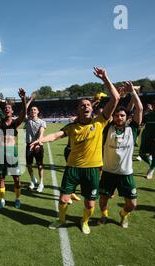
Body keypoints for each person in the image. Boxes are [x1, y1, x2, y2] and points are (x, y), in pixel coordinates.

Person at [30, 67, 120, 235]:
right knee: (63, 199)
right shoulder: (72, 127)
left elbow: (115, 98)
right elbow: (57, 135)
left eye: (88, 104)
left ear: (91, 108)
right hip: (72, 168)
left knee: (90, 204)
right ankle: (61, 219)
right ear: (78, 110)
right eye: (82, 105)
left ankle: (84, 221)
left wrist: (105, 78)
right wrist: (40, 140)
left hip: (93, 169)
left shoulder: (100, 122)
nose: (85, 106)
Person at [99, 81, 143, 229]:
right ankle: (104, 215)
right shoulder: (108, 128)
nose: (119, 118)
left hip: (126, 174)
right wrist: (117, 94)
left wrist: (133, 92)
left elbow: (140, 109)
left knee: (132, 204)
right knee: (103, 198)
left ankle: (123, 214)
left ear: (126, 117)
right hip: (108, 172)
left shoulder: (133, 129)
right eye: (117, 115)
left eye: (122, 115)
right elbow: (108, 110)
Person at [0, 89, 28, 209]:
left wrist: (23, 99)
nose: (6, 109)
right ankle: (2, 200)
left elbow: (24, 113)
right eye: (5, 108)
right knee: (1, 178)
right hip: (0, 153)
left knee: (16, 178)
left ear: (12, 111)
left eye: (9, 108)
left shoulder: (15, 123)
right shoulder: (0, 122)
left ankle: (17, 199)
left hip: (12, 152)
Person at [25, 103, 47, 193]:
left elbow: (41, 132)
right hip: (29, 145)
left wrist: (38, 142)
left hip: (38, 145)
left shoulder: (42, 122)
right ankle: (33, 179)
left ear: (38, 111)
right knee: (29, 165)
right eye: (31, 110)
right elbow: (24, 109)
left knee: (39, 165)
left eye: (34, 109)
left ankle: (41, 183)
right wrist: (29, 100)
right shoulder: (27, 120)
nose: (33, 111)